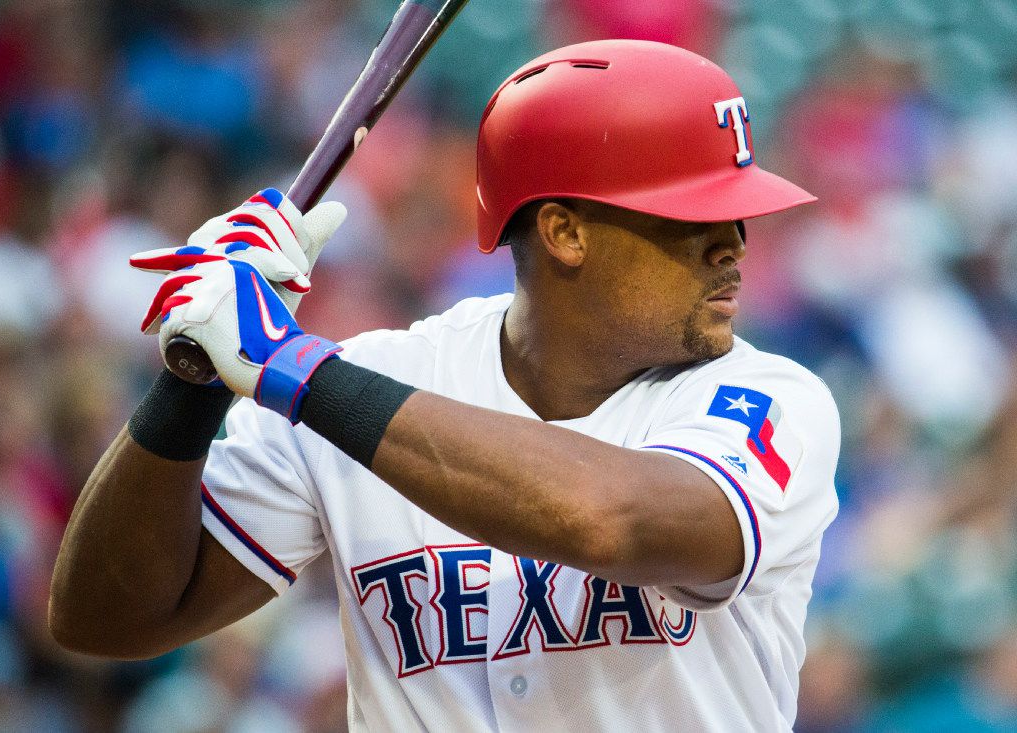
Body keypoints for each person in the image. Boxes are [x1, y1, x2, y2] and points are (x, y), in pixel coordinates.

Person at [49, 40, 839, 731]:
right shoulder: (378, 379)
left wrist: (292, 368)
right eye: (693, 214)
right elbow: (101, 617)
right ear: (565, 231)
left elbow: (615, 524)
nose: (733, 244)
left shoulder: (770, 398)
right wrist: (197, 376)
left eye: (736, 214)